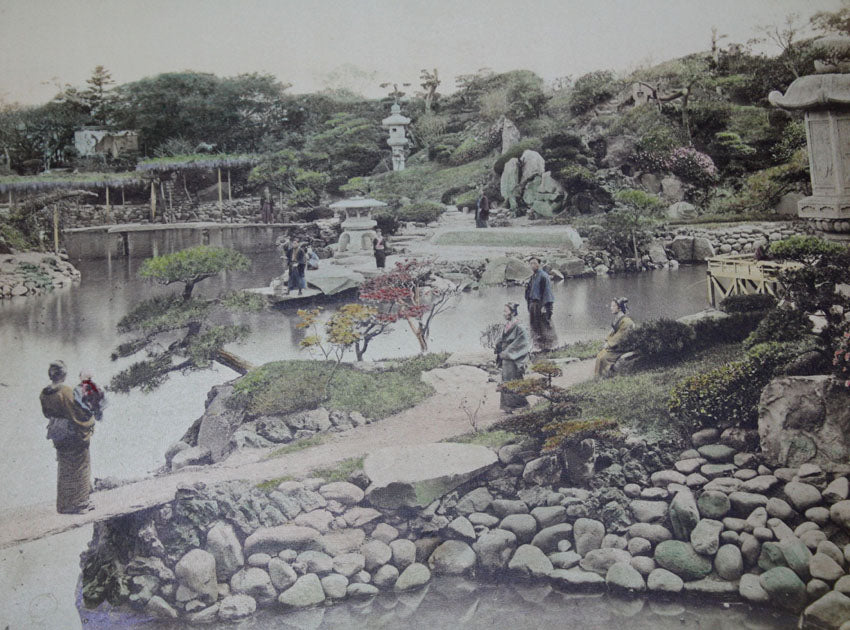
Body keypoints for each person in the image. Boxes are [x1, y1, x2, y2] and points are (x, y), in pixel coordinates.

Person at [39, 360, 96, 514]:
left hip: (56, 431)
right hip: (71, 431)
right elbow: (75, 413)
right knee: (81, 464)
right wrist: (90, 420)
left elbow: (46, 414)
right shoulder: (65, 391)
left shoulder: (44, 393)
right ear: (63, 375)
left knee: (64, 467)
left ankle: (64, 505)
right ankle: (80, 503)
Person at [495, 302, 531, 413]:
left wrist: (507, 352)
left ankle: (521, 405)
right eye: (504, 311)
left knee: (514, 380)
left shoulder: (519, 326)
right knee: (506, 380)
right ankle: (508, 407)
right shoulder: (507, 325)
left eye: (506, 311)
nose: (504, 313)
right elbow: (501, 339)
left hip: (514, 357)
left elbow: (523, 342)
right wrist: (499, 348)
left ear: (513, 312)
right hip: (506, 357)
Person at [594, 297, 635, 378]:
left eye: (613, 306)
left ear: (619, 308)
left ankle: (604, 376)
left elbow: (621, 336)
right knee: (600, 354)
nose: (611, 308)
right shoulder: (619, 318)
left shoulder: (627, 321)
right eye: (611, 306)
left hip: (624, 346)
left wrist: (609, 344)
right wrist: (606, 341)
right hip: (617, 345)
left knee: (603, 357)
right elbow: (613, 332)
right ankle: (598, 377)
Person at [525, 257, 556, 350]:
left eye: (534, 263)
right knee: (534, 325)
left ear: (539, 264)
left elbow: (547, 292)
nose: (532, 265)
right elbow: (529, 291)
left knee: (545, 324)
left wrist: (545, 306)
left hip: (541, 304)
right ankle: (538, 346)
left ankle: (550, 346)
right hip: (533, 303)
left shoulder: (543, 276)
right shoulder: (533, 276)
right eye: (531, 263)